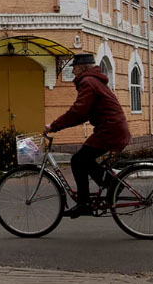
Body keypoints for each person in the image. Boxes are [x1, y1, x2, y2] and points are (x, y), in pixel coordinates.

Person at [44, 53, 131, 218]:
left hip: (109, 130)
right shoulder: (94, 81)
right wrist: (58, 127)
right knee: (84, 160)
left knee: (78, 161)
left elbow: (78, 110)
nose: (73, 72)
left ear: (82, 68)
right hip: (112, 128)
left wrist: (53, 126)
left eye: (75, 68)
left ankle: (85, 203)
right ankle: (112, 185)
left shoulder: (87, 82)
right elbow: (83, 114)